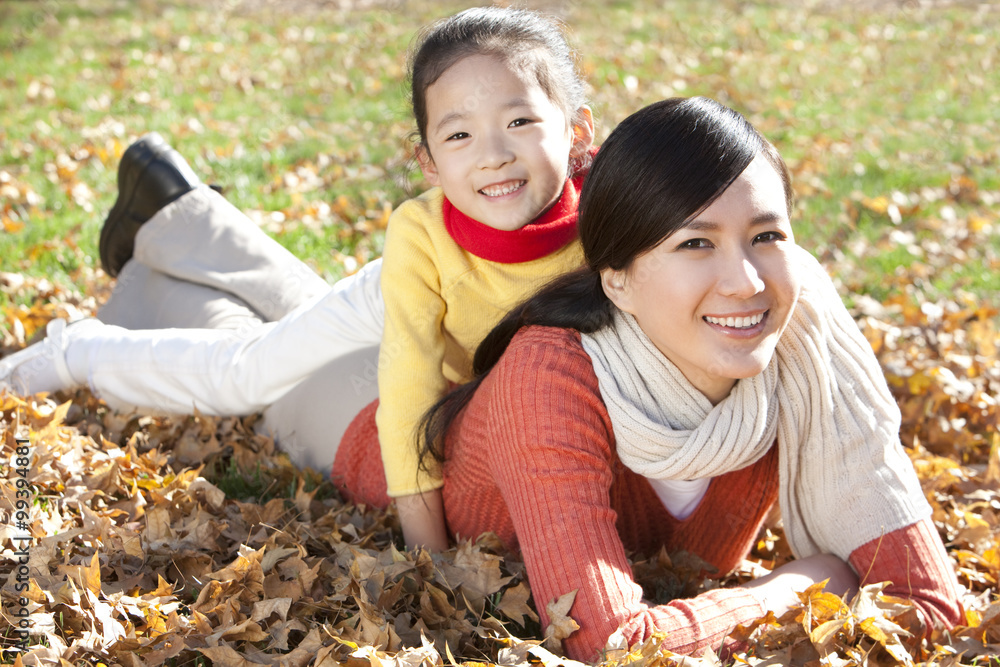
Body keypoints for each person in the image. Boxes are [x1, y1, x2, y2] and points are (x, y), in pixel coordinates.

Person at [331, 97, 963, 661]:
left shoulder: (802, 348)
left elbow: (932, 607)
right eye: (695, 244)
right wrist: (802, 584)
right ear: (618, 280)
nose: (747, 282)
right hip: (358, 430)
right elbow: (608, 646)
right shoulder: (549, 377)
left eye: (766, 235)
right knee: (257, 350)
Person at [0, 7, 596, 552]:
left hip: (462, 328)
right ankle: (77, 349)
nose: (492, 153)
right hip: (409, 291)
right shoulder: (420, 233)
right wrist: (429, 555)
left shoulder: (615, 222)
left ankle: (173, 215)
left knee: (303, 345)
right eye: (460, 134)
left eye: (520, 120)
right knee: (249, 372)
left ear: (577, 131)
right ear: (429, 163)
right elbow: (408, 392)